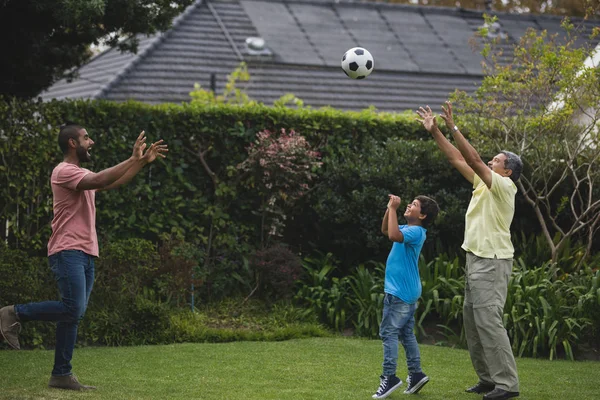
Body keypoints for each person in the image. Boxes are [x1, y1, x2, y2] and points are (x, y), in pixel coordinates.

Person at [0, 123, 167, 390]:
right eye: (86, 138)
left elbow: (112, 182)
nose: (92, 142)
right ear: (72, 143)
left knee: (72, 315)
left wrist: (142, 163)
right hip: (68, 250)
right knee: (72, 308)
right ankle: (13, 313)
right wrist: (132, 158)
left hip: (86, 252)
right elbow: (101, 178)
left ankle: (61, 375)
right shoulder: (63, 172)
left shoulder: (80, 174)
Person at [415, 102, 523, 400]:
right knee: (473, 323)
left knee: (489, 320)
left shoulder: (504, 186)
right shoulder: (483, 184)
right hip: (475, 258)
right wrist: (436, 131)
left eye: (496, 160)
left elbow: (472, 158)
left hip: (492, 261)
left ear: (508, 170)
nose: (490, 161)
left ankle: (507, 384)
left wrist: (453, 126)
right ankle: (488, 379)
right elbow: (457, 159)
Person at [372, 193, 439, 399]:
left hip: (399, 292)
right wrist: (389, 208)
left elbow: (393, 236)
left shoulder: (417, 231)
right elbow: (386, 230)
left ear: (423, 215)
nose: (409, 205)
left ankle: (389, 377)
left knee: (389, 333)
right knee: (406, 334)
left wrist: (393, 209)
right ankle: (416, 374)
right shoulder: (408, 228)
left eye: (415, 205)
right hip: (406, 291)